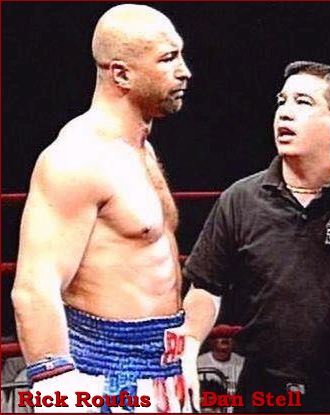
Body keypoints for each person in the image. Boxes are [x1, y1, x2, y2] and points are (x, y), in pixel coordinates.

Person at [10, 4, 204, 413]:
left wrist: (183, 355)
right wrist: (59, 394)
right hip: (103, 374)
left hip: (164, 367)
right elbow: (34, 289)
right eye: (168, 58)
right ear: (121, 74)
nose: (184, 71)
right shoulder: (79, 157)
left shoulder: (139, 149)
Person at [181, 60, 330, 413]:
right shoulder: (241, 199)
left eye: (303, 102)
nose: (285, 113)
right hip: (261, 390)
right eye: (282, 101)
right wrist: (188, 347)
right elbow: (206, 286)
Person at [197, 324, 245, 395]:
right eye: (222, 341)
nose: (225, 346)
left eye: (228, 340)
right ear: (211, 343)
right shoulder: (198, 363)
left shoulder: (243, 363)